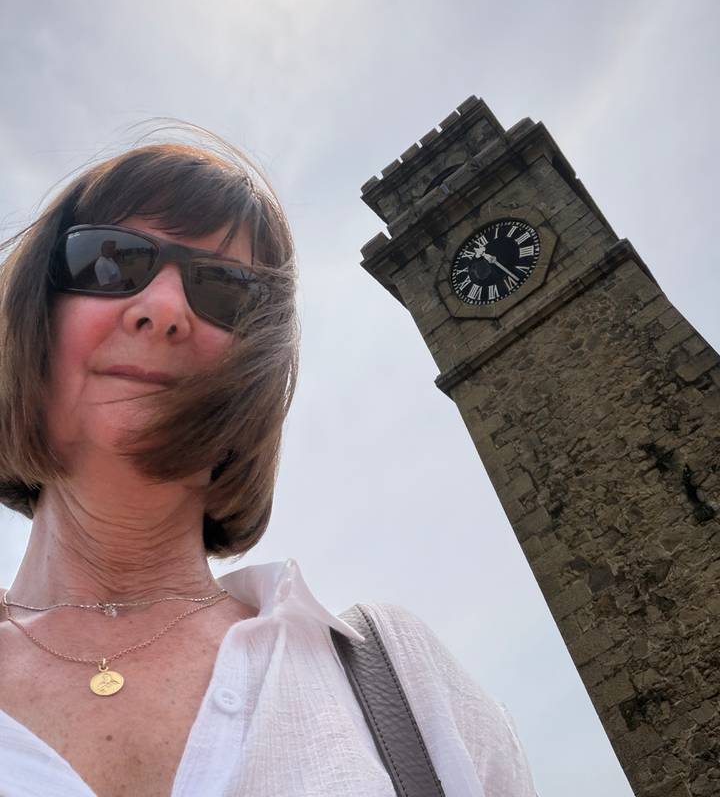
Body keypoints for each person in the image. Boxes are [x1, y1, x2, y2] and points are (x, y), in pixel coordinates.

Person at [0, 135, 536, 797]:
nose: (165, 309)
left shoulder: (401, 681)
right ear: (35, 309)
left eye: (223, 291)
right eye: (111, 261)